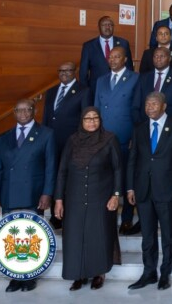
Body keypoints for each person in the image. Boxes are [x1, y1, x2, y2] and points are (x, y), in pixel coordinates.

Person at [0, 99, 55, 293]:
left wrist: (47, 193)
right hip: (8, 195)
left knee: (32, 238)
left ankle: (30, 277)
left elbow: (51, 167)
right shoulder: (3, 138)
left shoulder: (46, 134)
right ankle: (15, 276)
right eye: (19, 110)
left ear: (34, 111)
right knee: (11, 236)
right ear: (14, 113)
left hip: (34, 194)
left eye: (27, 109)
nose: (23, 113)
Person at [54, 107, 123, 291]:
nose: (92, 122)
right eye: (87, 118)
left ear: (100, 120)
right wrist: (58, 200)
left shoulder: (109, 139)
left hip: (101, 196)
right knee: (75, 237)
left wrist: (116, 195)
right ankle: (79, 274)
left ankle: (99, 273)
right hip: (74, 197)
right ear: (82, 121)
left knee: (98, 235)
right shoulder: (72, 141)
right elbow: (62, 171)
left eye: (95, 118)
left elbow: (118, 169)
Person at [125, 93, 172, 291]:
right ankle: (149, 272)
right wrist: (130, 187)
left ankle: (165, 273)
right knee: (147, 235)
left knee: (168, 234)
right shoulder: (139, 129)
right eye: (147, 104)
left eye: (154, 104)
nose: (150, 107)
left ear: (164, 106)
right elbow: (133, 159)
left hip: (167, 189)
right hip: (143, 189)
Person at [94, 46, 138, 232]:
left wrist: (135, 136)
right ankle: (106, 216)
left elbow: (137, 109)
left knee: (127, 177)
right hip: (104, 139)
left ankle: (127, 217)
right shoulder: (101, 80)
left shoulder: (135, 78)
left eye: (117, 57)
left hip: (125, 137)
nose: (112, 60)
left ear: (125, 59)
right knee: (105, 178)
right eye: (110, 57)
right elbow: (96, 108)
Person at [41, 62, 86, 227]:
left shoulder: (83, 90)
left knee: (68, 177)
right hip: (51, 141)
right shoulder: (51, 91)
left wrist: (80, 142)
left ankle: (66, 214)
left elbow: (84, 118)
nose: (64, 73)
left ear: (75, 72)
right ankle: (55, 215)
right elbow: (47, 116)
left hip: (71, 142)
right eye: (61, 70)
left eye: (67, 70)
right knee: (52, 174)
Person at [78, 15, 133, 95]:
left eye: (110, 25)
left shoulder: (123, 43)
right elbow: (83, 73)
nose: (107, 27)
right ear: (99, 27)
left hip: (120, 88)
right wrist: (85, 93)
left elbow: (129, 68)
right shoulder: (89, 46)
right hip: (96, 89)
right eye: (104, 25)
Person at [134, 47, 172, 125]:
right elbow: (135, 104)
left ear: (169, 58)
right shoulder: (143, 77)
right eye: (155, 56)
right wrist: (139, 123)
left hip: (170, 124)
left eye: (162, 56)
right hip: (145, 123)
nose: (158, 59)